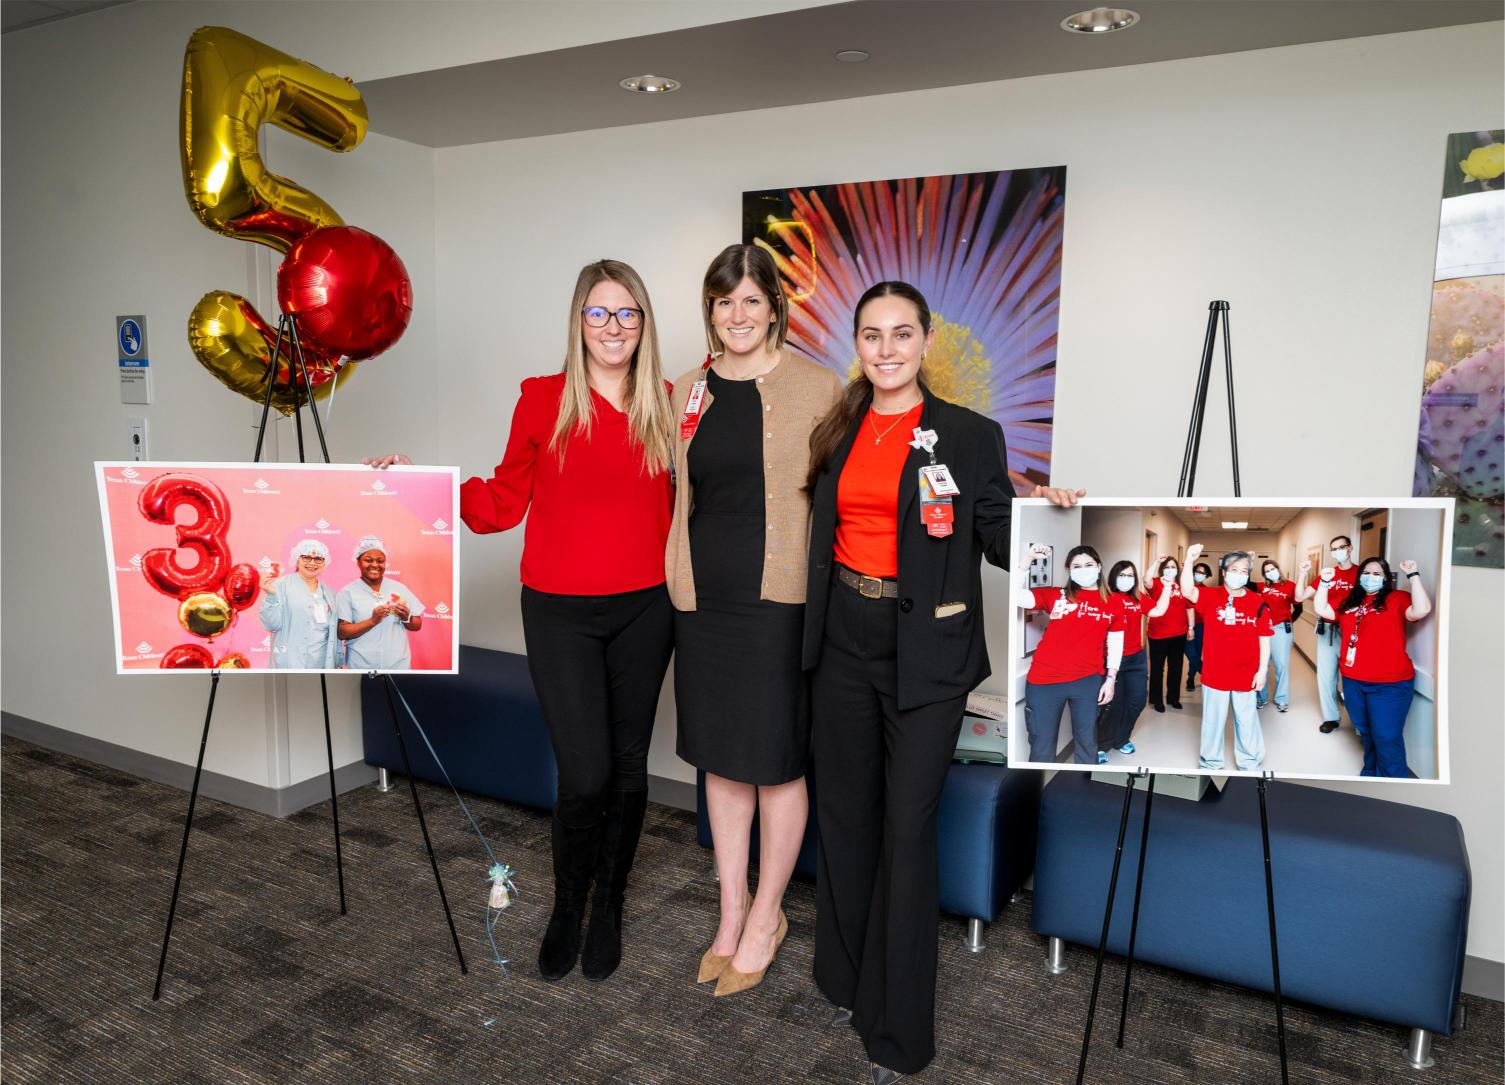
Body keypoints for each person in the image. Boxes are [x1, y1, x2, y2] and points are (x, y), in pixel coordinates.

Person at [365, 259, 675, 983]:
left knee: (629, 765)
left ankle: (610, 905)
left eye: (627, 313)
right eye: (598, 312)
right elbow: (502, 500)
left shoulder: (667, 403)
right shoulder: (542, 399)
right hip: (560, 609)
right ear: (578, 320)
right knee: (585, 772)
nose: (613, 327)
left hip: (648, 607)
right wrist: (421, 487)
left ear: (644, 324)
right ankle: (569, 905)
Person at [803, 280, 1082, 1082]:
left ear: (926, 341)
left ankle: (897, 1024)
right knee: (845, 817)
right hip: (841, 635)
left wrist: (1048, 518)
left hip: (927, 648)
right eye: (871, 335)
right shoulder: (838, 424)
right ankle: (846, 976)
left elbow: (995, 533)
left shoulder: (966, 433)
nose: (885, 349)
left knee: (905, 826)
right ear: (856, 345)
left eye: (901, 333)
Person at [667, 244, 842, 998]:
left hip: (779, 600)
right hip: (704, 600)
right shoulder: (687, 388)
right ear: (710, 310)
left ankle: (769, 915)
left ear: (774, 306)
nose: (736, 314)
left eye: (750, 300)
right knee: (721, 758)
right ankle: (731, 910)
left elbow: (851, 492)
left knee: (774, 759)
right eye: (722, 300)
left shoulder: (817, 385)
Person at [1313, 556, 1432, 777]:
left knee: (1386, 736)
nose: (1371, 577)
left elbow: (1422, 609)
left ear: (1385, 578)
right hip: (1353, 680)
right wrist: (1324, 582)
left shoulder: (1397, 598)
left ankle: (1394, 781)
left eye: (1377, 574)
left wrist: (1413, 575)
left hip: (1390, 682)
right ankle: (1370, 771)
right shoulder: (1350, 601)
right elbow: (1321, 608)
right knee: (1365, 730)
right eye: (1366, 573)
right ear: (1360, 577)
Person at [1018, 545, 1123, 765]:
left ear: (1099, 567)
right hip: (1045, 681)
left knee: (1087, 744)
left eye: (1088, 564)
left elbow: (1115, 644)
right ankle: (1036, 787)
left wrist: (1111, 679)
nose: (1083, 570)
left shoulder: (1114, 602)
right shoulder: (1057, 595)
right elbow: (1016, 597)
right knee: (1041, 747)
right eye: (1077, 566)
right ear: (1069, 570)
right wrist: (1028, 559)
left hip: (1087, 681)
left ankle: (1081, 786)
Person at [1181, 545, 1272, 771]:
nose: (1239, 574)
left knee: (1246, 719)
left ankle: (1249, 760)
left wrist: (1262, 671)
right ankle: (1210, 761)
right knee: (1213, 720)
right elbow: (1187, 591)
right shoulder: (1211, 596)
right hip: (1216, 670)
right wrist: (1189, 561)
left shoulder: (1258, 602)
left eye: (1244, 571)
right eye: (1234, 569)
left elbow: (1265, 639)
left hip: (1246, 671)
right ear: (1224, 572)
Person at [1097, 559, 1174, 763]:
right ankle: (1101, 744)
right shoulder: (1105, 597)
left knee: (1137, 701)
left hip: (1136, 658)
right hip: (1110, 659)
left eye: (1130, 575)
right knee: (1113, 705)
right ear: (1113, 577)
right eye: (1122, 575)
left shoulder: (1137, 597)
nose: (1126, 579)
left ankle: (1121, 739)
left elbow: (1158, 611)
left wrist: (1167, 588)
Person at [1296, 534, 1360, 733]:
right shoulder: (1328, 574)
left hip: (1354, 632)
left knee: (1354, 678)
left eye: (1341, 547)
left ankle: (1360, 724)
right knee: (1326, 676)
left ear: (1350, 548)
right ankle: (1331, 717)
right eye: (1334, 549)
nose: (1337, 551)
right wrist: (1302, 574)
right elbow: (1299, 597)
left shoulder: (1361, 573)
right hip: (1329, 631)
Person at [335, 536, 424, 670]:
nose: (375, 565)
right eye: (368, 560)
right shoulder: (347, 592)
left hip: (397, 664)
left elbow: (417, 625)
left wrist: (407, 618)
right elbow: (342, 632)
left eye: (380, 561)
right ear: (358, 562)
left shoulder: (399, 588)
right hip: (361, 665)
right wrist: (372, 621)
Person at [258, 539, 340, 669]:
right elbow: (271, 624)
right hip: (289, 662)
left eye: (318, 558)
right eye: (306, 557)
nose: (312, 563)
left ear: (324, 563)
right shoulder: (280, 586)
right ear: (297, 559)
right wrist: (271, 596)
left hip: (320, 665)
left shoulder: (330, 594)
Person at [1145, 555, 1192, 711]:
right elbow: (1146, 580)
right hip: (1158, 633)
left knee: (1176, 667)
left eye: (1173, 567)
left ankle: (1173, 698)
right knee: (1157, 668)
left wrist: (1191, 627)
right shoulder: (1157, 583)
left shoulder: (1181, 586)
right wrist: (1157, 561)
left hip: (1179, 633)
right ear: (1161, 569)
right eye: (1167, 567)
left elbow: (1189, 608)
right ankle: (1156, 700)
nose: (1170, 570)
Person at [1255, 558, 1297, 712]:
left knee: (1281, 665)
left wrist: (1288, 621)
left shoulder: (1290, 586)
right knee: (1262, 664)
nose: (1270, 572)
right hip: (1263, 628)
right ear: (1264, 574)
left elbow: (1298, 607)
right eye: (1267, 571)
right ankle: (1261, 697)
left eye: (1273, 569)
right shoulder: (1263, 587)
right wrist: (1250, 561)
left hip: (1281, 628)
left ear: (1278, 569)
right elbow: (1246, 584)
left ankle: (1281, 699)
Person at [1183, 560, 1212, 692]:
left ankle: (1190, 678)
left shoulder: (1206, 590)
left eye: (1203, 573)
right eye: (1198, 572)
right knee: (1190, 652)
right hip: (1184, 625)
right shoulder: (1185, 587)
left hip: (1200, 625)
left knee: (1197, 651)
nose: (1200, 574)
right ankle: (1205, 672)